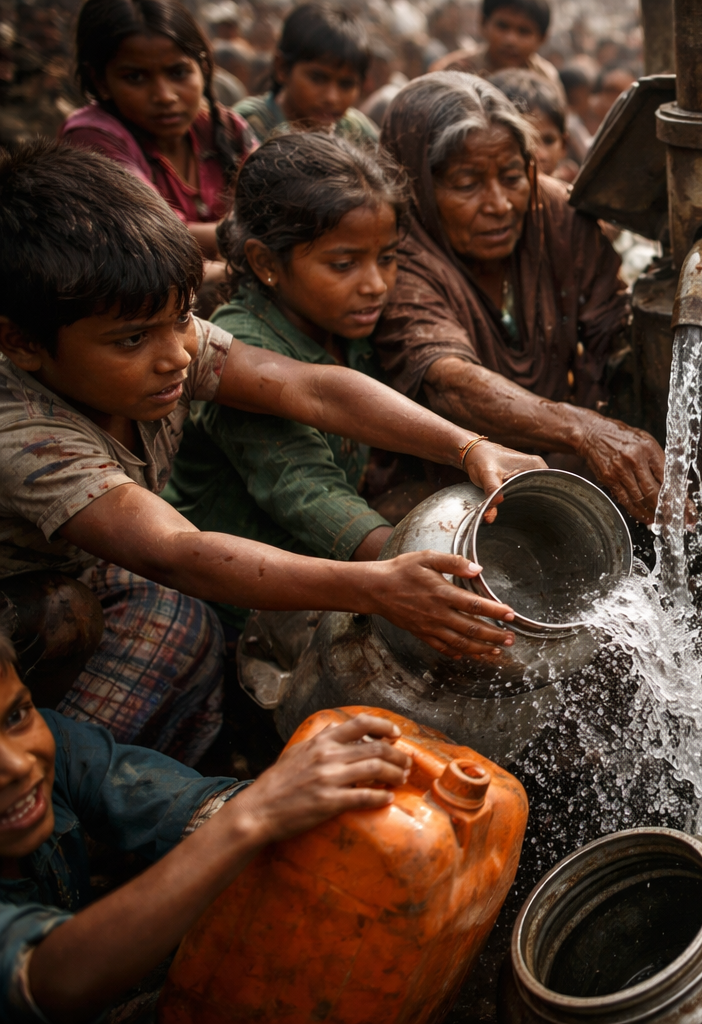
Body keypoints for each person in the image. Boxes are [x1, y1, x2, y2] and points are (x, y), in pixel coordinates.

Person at [0, 142, 546, 760]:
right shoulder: (25, 434)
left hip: (101, 568)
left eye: (182, 321)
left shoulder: (150, 335)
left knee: (183, 636)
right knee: (73, 642)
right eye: (132, 340)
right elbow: (176, 553)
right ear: (21, 342)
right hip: (31, 597)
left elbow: (312, 389)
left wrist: (470, 446)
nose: (178, 355)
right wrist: (374, 586)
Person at [0, 630, 416, 1023]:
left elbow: (165, 801)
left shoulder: (58, 743)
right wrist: (254, 813)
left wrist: (285, 795)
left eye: (15, 716)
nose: (19, 765)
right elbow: (54, 980)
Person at [375, 73, 663, 524]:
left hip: (560, 467)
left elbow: (614, 332)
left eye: (511, 177)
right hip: (442, 488)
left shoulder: (556, 214)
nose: (499, 204)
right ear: (417, 187)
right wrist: (584, 429)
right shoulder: (396, 255)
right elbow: (448, 380)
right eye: (467, 184)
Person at [163, 132, 419, 632]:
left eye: (387, 258)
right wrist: (412, 564)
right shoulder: (243, 347)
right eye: (343, 264)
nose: (376, 284)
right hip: (233, 600)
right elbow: (302, 488)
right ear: (265, 263)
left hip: (317, 570)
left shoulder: (349, 328)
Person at [60, 0, 258, 264]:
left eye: (178, 72)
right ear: (100, 81)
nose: (164, 96)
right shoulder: (92, 138)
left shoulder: (222, 126)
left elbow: (277, 194)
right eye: (135, 77)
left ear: (203, 67)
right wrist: (261, 236)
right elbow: (159, 238)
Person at [232, 3, 378, 147]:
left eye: (346, 84)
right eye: (317, 78)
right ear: (282, 68)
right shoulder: (245, 124)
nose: (331, 98)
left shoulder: (357, 132)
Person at [432, 0, 561, 95]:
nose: (511, 40)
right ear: (483, 23)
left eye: (523, 31)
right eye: (502, 26)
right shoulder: (453, 70)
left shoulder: (546, 80)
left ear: (542, 38)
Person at [488, 67, 577, 182]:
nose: (540, 155)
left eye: (548, 141)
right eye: (523, 142)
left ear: (564, 144)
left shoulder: (564, 197)